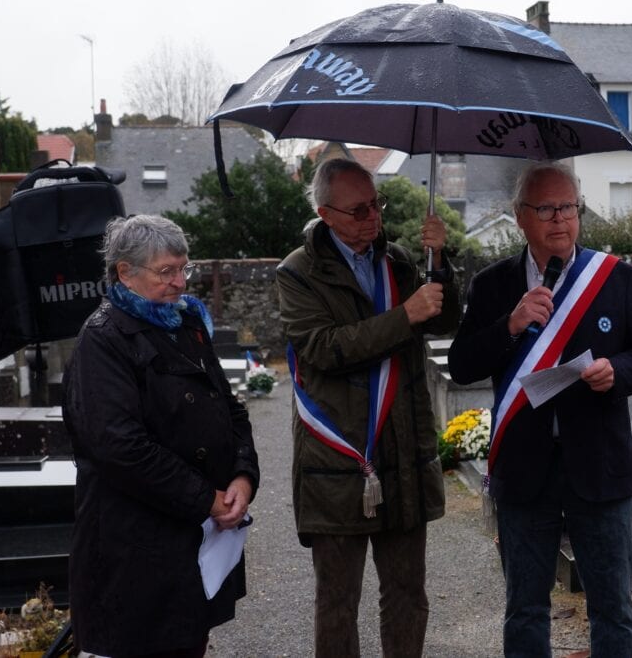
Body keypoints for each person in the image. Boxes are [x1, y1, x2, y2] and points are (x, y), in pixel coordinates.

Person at [447, 161, 632, 657]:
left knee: (612, 608)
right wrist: (509, 325)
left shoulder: (613, 277)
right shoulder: (492, 285)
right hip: (524, 470)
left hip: (599, 467)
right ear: (520, 216)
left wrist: (617, 372)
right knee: (525, 611)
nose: (559, 219)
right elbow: (461, 365)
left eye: (568, 207)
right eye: (545, 208)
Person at [276, 157, 459, 657]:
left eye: (375, 204)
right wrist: (405, 316)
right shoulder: (298, 273)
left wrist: (439, 261)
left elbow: (444, 322)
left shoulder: (399, 260)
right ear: (325, 213)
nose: (372, 217)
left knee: (406, 594)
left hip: (403, 452)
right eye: (358, 210)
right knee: (337, 602)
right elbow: (324, 349)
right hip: (338, 458)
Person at [63, 214, 260, 657]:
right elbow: (120, 447)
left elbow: (229, 409)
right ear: (125, 273)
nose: (178, 282)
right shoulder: (104, 339)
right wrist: (204, 498)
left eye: (183, 268)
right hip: (132, 545)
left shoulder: (185, 324)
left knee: (187, 641)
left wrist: (243, 478)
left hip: (192, 538)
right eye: (166, 271)